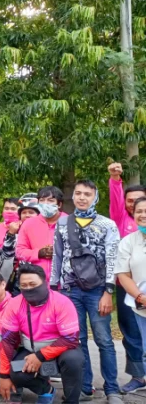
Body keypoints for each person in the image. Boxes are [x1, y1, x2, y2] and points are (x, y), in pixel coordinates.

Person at [50, 180, 122, 403]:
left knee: (104, 340)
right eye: (78, 193)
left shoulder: (107, 225)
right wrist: (54, 287)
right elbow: (57, 256)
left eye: (87, 194)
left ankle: (112, 389)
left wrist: (108, 291)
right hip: (70, 291)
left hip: (98, 290)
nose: (82, 198)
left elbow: (113, 259)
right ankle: (85, 387)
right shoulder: (63, 224)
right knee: (77, 340)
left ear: (95, 197)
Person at [0, 264, 83, 404]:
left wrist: (40, 356)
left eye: (33, 284)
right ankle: (46, 390)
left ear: (45, 283)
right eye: (23, 285)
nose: (28, 288)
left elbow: (70, 338)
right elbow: (8, 341)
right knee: (16, 374)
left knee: (73, 361)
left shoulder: (62, 302)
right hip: (31, 349)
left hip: (62, 349)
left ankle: (71, 401)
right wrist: (3, 375)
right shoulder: (14, 304)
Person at [109, 163, 146, 394]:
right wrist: (115, 179)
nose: (134, 205)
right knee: (132, 332)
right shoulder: (123, 220)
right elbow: (115, 201)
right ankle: (138, 376)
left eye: (139, 200)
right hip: (129, 286)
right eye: (130, 201)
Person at [16, 188, 61, 282]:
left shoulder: (69, 222)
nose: (46, 204)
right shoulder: (29, 224)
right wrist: (38, 253)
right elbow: (19, 251)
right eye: (42, 200)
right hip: (37, 281)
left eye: (51, 200)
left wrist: (58, 251)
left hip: (64, 282)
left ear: (59, 204)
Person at [0, 198, 22, 283]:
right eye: (6, 208)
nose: (9, 211)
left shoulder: (25, 228)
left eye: (13, 209)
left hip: (20, 272)